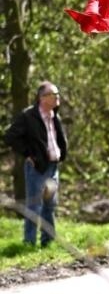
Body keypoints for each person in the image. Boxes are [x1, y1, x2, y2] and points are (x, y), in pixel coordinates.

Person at [4, 81, 67, 247]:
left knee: (50, 205)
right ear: (42, 98)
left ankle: (48, 241)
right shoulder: (28, 116)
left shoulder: (55, 116)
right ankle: (29, 242)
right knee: (34, 206)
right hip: (37, 168)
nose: (57, 97)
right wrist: (28, 154)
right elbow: (10, 137)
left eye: (57, 94)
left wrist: (61, 154)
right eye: (54, 94)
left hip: (53, 167)